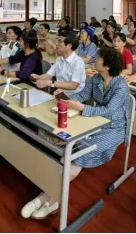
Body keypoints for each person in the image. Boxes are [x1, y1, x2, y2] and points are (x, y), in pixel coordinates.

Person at [21, 47, 130, 220]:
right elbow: (83, 94)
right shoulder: (96, 78)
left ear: (107, 66)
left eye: (99, 58)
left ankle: (46, 198)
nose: (95, 60)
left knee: (79, 151)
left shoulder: (121, 85)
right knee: (66, 145)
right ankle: (52, 197)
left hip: (114, 128)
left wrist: (82, 108)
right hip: (95, 121)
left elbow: (109, 111)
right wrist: (66, 98)